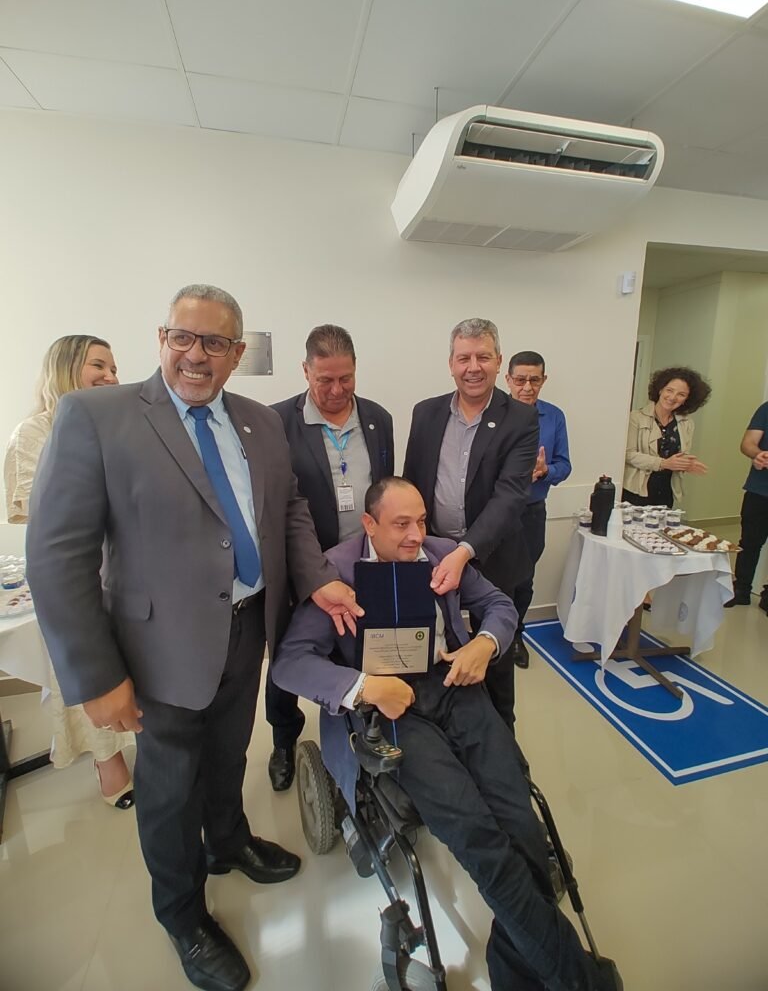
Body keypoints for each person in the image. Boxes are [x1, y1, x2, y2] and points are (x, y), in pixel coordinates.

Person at [25, 285, 362, 991]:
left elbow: (290, 509)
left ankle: (228, 842)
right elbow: (57, 557)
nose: (195, 355)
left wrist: (317, 579)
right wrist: (96, 675)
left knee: (230, 752)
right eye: (181, 337)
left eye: (213, 343)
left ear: (237, 354)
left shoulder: (259, 423)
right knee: (170, 787)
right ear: (161, 339)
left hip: (247, 627)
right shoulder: (97, 417)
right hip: (158, 649)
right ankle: (182, 915)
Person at [272, 477, 622, 991]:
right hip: (391, 707)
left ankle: (519, 966)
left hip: (454, 686)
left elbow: (500, 607)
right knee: (477, 835)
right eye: (401, 524)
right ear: (369, 524)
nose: (416, 535)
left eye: (421, 521)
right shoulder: (337, 570)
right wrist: (365, 687)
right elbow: (289, 663)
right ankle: (579, 981)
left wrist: (485, 643)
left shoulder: (441, 555)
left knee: (521, 822)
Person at [4, 334, 134, 808]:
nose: (110, 376)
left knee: (126, 665)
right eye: (98, 365)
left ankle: (134, 739)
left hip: (122, 566)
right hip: (76, 571)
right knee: (84, 668)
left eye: (113, 368)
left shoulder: (115, 426)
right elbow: (37, 515)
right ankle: (107, 761)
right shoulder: (34, 433)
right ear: (65, 367)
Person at [267, 323, 394, 790]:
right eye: (325, 380)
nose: (337, 390)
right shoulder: (276, 422)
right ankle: (284, 741)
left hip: (361, 566)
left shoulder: (378, 418)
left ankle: (360, 731)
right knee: (288, 657)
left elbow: (384, 493)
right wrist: (309, 571)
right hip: (299, 568)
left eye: (346, 378)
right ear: (305, 371)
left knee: (357, 650)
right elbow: (275, 506)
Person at [403, 318, 538, 729]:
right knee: (428, 644)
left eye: (483, 357)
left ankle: (502, 735)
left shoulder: (520, 419)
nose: (473, 367)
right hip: (431, 555)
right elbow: (412, 483)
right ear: (451, 363)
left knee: (493, 655)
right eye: (464, 358)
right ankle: (438, 726)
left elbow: (510, 496)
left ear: (498, 361)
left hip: (493, 558)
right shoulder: (426, 413)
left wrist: (463, 552)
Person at [504, 351, 571, 669]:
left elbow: (564, 465)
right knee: (491, 579)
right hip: (496, 511)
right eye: (520, 380)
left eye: (535, 380)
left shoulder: (554, 417)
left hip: (531, 511)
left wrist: (545, 472)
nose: (527, 387)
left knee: (523, 580)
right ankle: (490, 636)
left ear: (544, 380)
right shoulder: (492, 412)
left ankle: (516, 635)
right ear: (508, 379)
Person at [623, 366, 711, 508]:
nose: (673, 397)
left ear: (687, 399)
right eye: (669, 390)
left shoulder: (686, 423)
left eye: (681, 394)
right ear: (660, 390)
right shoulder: (635, 418)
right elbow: (628, 454)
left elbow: (681, 454)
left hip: (666, 488)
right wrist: (663, 463)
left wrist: (686, 464)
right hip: (636, 489)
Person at [725, 400, 768, 614]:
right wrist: (757, 454)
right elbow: (748, 443)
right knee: (750, 542)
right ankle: (741, 589)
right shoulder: (766, 409)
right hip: (759, 490)